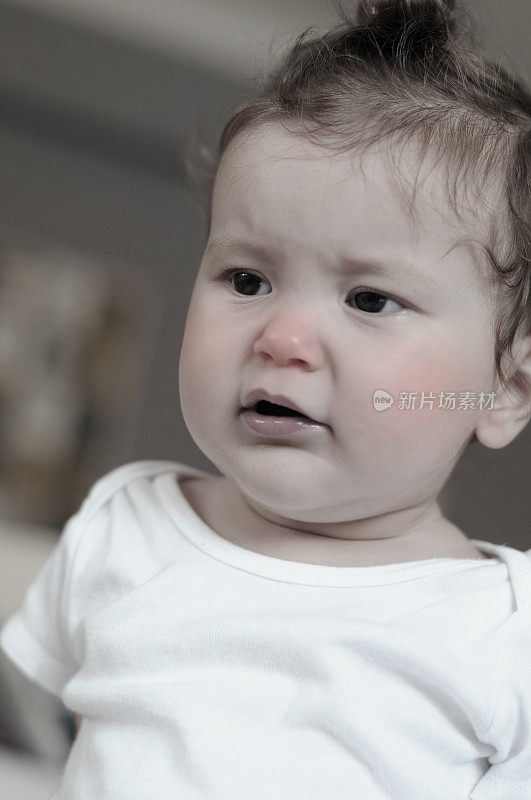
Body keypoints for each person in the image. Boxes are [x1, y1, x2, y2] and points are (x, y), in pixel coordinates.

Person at [1, 0, 530, 797]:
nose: (282, 337)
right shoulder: (124, 528)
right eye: (247, 280)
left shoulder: (502, 634)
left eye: (369, 300)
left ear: (505, 390)